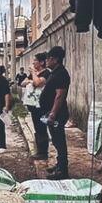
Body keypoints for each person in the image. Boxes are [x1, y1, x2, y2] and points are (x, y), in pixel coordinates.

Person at [40, 46, 72, 179]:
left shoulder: (61, 74)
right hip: (51, 113)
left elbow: (59, 96)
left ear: (56, 59)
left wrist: (53, 113)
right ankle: (59, 165)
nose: (47, 61)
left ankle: (62, 171)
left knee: (59, 141)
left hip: (57, 114)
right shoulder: (54, 72)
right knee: (56, 141)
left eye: (49, 58)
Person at [22, 52, 50, 159]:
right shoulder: (35, 74)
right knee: (37, 128)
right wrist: (31, 79)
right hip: (33, 105)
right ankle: (39, 150)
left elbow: (38, 83)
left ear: (42, 62)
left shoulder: (46, 73)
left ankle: (43, 153)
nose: (33, 63)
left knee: (42, 128)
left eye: (35, 61)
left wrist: (34, 73)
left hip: (41, 105)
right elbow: (23, 83)